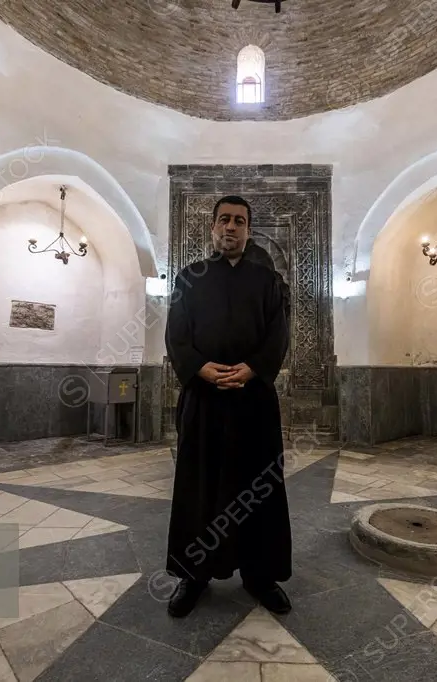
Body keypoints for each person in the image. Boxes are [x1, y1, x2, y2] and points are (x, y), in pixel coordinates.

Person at [164, 195, 292, 618]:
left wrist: (253, 369)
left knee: (258, 491)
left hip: (253, 402)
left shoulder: (268, 281)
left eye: (239, 220)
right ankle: (194, 575)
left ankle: (261, 575)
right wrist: (199, 368)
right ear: (213, 229)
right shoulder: (189, 278)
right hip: (204, 401)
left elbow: (277, 337)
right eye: (224, 220)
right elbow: (177, 336)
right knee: (200, 488)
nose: (231, 227)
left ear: (248, 229)